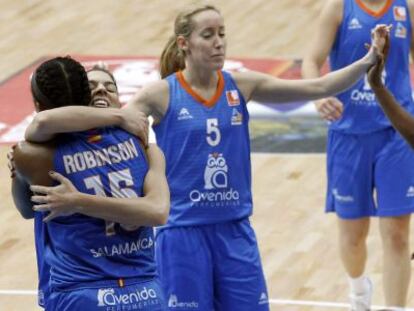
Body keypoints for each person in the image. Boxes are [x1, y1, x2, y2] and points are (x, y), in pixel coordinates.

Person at [23, 6, 388, 311]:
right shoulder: (160, 94)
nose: (219, 43)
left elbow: (319, 86)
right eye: (209, 35)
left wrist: (370, 60)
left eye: (222, 33)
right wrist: (106, 118)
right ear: (185, 43)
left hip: (234, 229)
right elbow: (94, 123)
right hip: (182, 234)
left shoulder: (241, 85)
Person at [11, 56, 169, 310]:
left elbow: (26, 209)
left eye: (110, 86)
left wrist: (76, 201)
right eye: (93, 85)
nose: (101, 90)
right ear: (85, 100)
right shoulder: (143, 147)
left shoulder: (39, 152)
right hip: (144, 291)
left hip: (82, 290)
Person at [301, 0, 414, 310]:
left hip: (397, 133)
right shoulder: (338, 8)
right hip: (349, 133)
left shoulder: (407, 8)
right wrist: (320, 94)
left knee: (398, 234)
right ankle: (359, 292)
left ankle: (395, 307)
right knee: (353, 234)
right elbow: (310, 61)